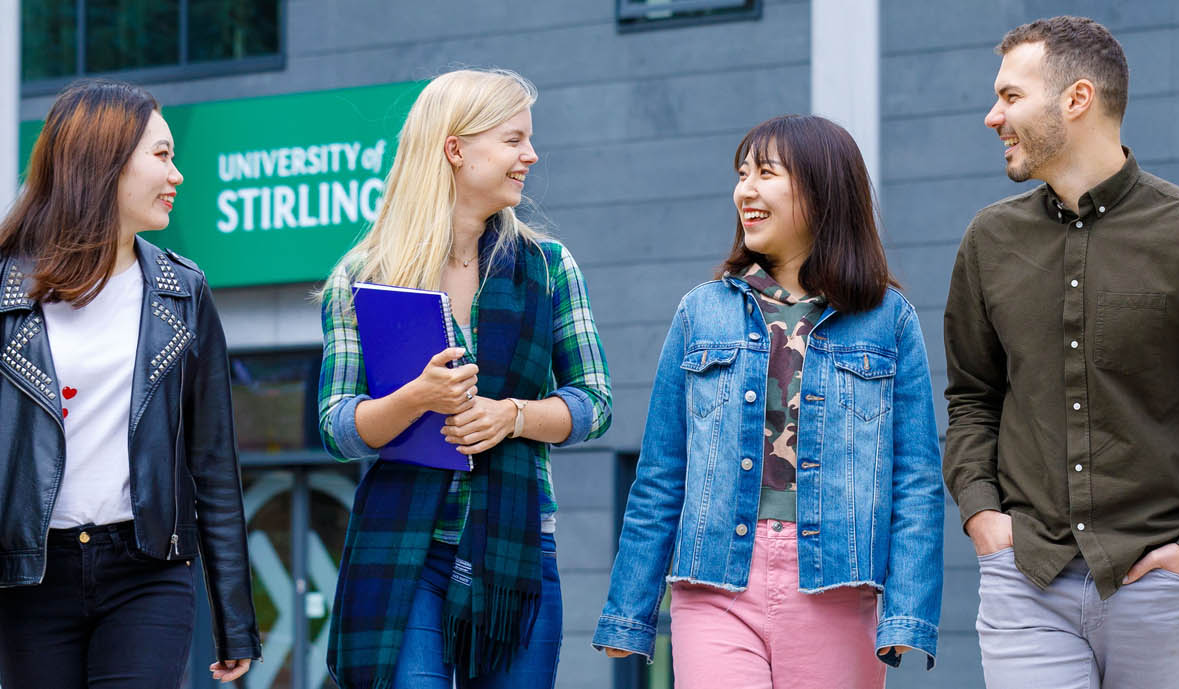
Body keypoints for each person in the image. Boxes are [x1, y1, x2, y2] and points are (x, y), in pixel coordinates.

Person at [944, 15, 1179, 689]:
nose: (992, 116)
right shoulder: (988, 241)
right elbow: (971, 397)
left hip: (1157, 583)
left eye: (1011, 96)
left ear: (1077, 99)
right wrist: (984, 513)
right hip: (1028, 576)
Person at [594, 114, 944, 688]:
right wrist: (629, 610)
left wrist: (908, 609)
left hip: (834, 583)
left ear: (822, 189)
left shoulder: (887, 319)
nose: (745, 190)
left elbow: (916, 479)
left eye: (765, 173)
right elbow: (662, 473)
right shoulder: (700, 311)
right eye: (741, 174)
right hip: (714, 582)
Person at [317, 68, 613, 689]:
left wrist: (515, 416)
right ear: (455, 149)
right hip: (405, 551)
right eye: (513, 140)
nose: (530, 155)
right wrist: (415, 399)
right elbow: (339, 427)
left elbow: (595, 403)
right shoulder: (365, 275)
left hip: (516, 552)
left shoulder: (549, 267)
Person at [0, 78, 258, 687]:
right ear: (104, 161)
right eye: (163, 155)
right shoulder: (7, 291)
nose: (178, 175)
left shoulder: (182, 291)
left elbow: (214, 465)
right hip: (29, 577)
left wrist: (235, 619)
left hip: (147, 569)